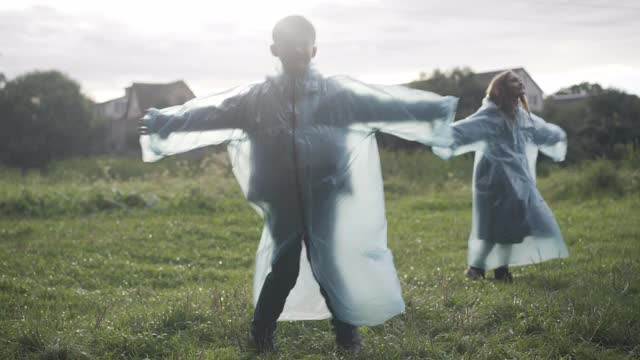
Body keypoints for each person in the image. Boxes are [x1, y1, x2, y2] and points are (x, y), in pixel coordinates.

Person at [139, 15, 458, 353]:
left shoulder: (337, 96)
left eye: (302, 44)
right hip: (281, 197)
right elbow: (208, 115)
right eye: (288, 44)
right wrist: (166, 122)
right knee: (285, 265)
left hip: (325, 192)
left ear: (314, 49)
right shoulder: (255, 100)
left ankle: (347, 336)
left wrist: (433, 110)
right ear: (274, 49)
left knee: (329, 262)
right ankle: (260, 335)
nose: (295, 50)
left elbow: (386, 107)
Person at [433, 70, 569, 282]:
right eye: (514, 80)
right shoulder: (490, 115)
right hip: (494, 178)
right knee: (494, 227)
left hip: (518, 178)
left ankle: (496, 268)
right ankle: (479, 267)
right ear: (502, 88)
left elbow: (540, 131)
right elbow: (464, 130)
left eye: (519, 79)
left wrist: (556, 136)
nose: (521, 82)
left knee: (512, 225)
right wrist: (439, 134)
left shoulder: (521, 115)